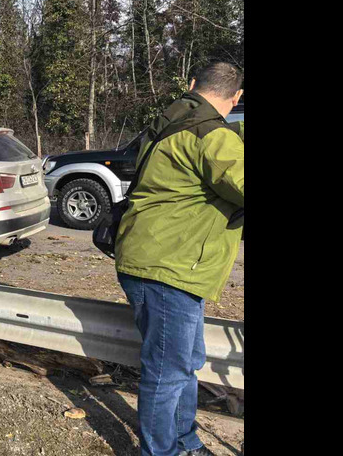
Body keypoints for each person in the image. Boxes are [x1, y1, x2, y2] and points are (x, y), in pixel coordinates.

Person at [115, 62, 244, 456]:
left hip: (154, 259)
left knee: (184, 362)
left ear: (192, 85)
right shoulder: (214, 136)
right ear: (236, 97)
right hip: (169, 267)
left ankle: (185, 443)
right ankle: (162, 452)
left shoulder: (170, 122)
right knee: (168, 372)